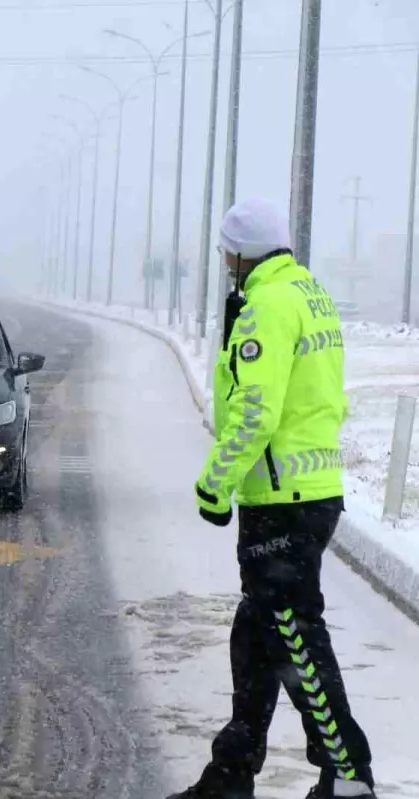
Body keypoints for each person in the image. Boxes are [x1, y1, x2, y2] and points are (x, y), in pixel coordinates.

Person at [171, 197, 374, 799]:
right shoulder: (308, 293)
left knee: (292, 630)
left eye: (225, 250)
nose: (223, 260)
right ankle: (232, 774)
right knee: (257, 634)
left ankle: (348, 773)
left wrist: (215, 483)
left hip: (281, 497)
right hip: (310, 490)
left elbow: (255, 411)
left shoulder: (268, 305)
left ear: (240, 252)